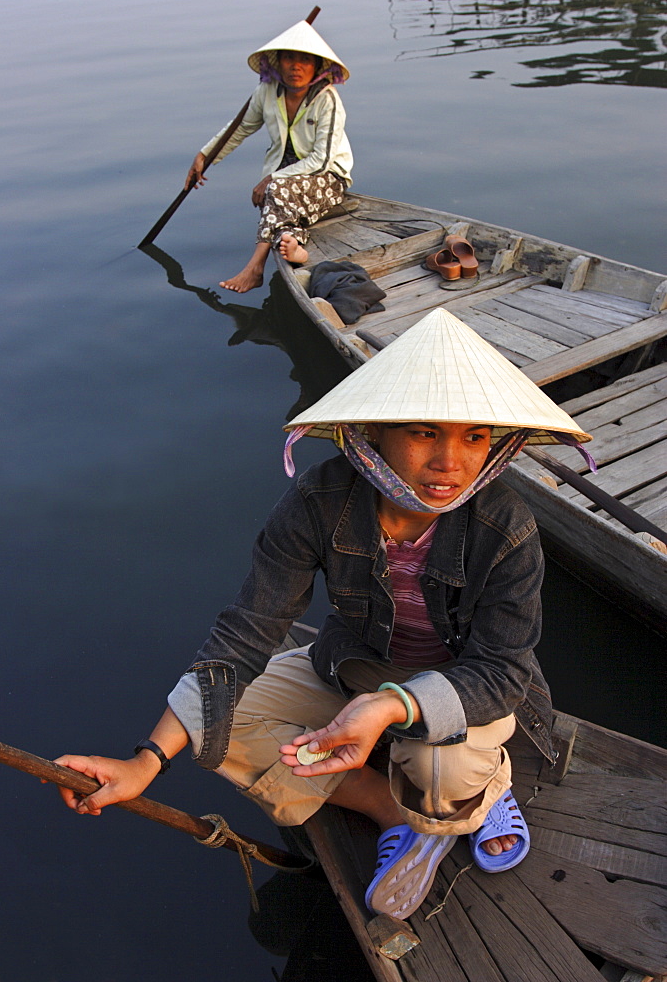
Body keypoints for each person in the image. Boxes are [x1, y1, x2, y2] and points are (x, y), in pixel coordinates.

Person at [54, 307, 593, 920]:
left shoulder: (508, 527)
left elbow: (500, 670)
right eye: (423, 431)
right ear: (374, 431)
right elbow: (245, 633)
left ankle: (481, 789)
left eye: (474, 436)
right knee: (214, 729)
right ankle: (394, 811)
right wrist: (144, 763)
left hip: (465, 684)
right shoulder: (319, 498)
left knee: (441, 768)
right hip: (353, 666)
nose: (451, 462)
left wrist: (393, 706)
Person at [185, 19, 353, 293]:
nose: (295, 66)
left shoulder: (327, 99)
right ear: (277, 63)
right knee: (277, 197)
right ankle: (292, 241)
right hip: (284, 182)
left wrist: (273, 179)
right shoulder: (266, 92)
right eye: (289, 58)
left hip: (327, 178)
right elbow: (239, 129)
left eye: (304, 60)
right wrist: (205, 156)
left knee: (274, 190)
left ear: (317, 67)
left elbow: (322, 161)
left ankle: (255, 267)